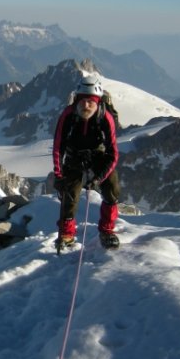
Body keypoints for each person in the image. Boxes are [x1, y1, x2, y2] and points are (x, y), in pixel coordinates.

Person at [52, 75, 120, 251]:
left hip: (99, 156)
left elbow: (113, 154)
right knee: (69, 193)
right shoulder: (68, 115)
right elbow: (58, 146)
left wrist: (99, 178)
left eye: (91, 101)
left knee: (111, 189)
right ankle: (67, 234)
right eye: (83, 101)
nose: (86, 105)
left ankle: (107, 231)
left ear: (97, 101)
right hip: (74, 156)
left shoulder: (106, 117)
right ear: (77, 100)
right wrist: (59, 176)